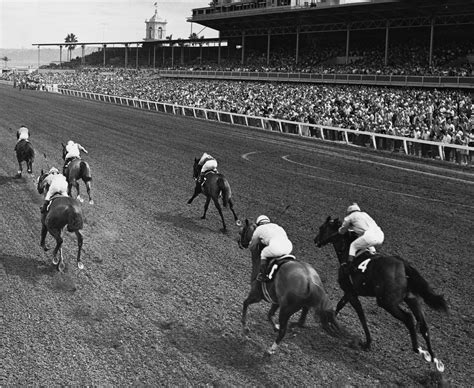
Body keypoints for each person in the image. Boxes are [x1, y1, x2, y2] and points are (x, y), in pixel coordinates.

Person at [338, 203, 384, 271]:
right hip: (380, 235)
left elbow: (342, 230)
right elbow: (362, 227)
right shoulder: (365, 214)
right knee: (366, 243)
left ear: (349, 212)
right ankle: (374, 254)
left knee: (353, 246)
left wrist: (339, 230)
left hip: (369, 236)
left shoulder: (349, 217)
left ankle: (349, 267)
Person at [249, 215, 293, 282]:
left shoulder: (259, 229)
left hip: (275, 247)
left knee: (263, 253)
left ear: (258, 224)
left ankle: (263, 275)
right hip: (288, 246)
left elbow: (253, 245)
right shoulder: (278, 227)